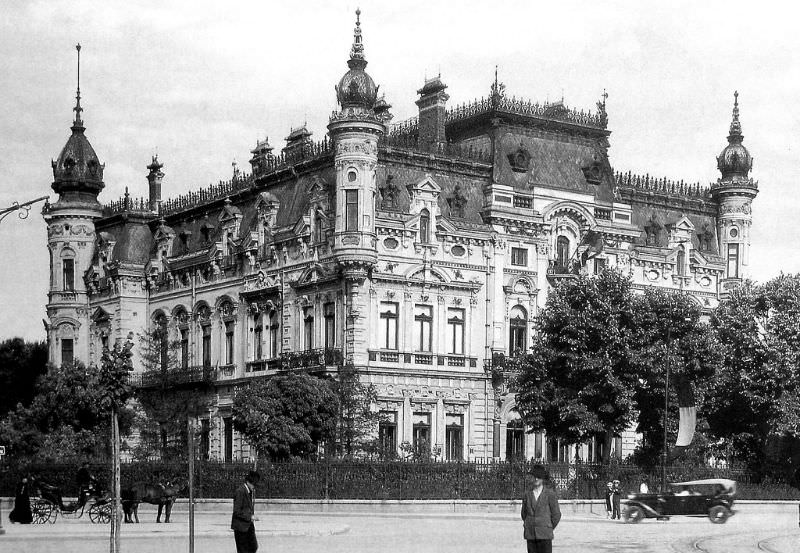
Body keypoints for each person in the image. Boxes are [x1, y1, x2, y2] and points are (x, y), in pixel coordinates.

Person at [521, 464, 561, 553]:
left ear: (542, 478)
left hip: (545, 534)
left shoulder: (550, 494)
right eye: (534, 476)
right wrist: (530, 523)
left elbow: (556, 515)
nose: (536, 479)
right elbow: (524, 513)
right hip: (531, 533)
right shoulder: (527, 494)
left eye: (538, 477)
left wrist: (547, 526)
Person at [231, 470, 261, 553]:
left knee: (253, 546)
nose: (254, 487)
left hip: (248, 526)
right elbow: (236, 511)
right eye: (253, 484)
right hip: (241, 527)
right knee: (243, 550)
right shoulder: (240, 491)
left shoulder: (248, 491)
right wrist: (250, 517)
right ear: (248, 482)